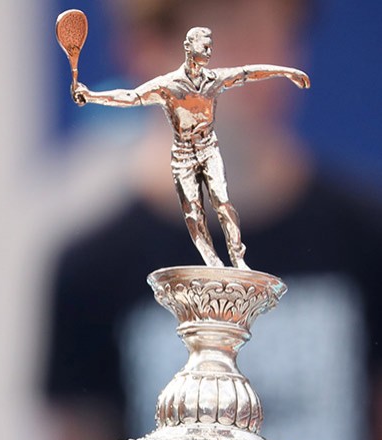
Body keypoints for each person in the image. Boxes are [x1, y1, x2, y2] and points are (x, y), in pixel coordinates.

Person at [42, 0, 382, 440]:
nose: (255, 45)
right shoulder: (91, 269)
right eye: (229, 32)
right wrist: (89, 95)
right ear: (145, 46)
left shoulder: (368, 236)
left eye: (275, 28)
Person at [72, 26, 309, 270]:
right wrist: (91, 96)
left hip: (209, 150)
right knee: (194, 215)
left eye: (209, 45)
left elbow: (250, 72)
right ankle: (213, 261)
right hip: (184, 158)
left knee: (223, 206)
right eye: (202, 45)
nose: (207, 50)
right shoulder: (169, 85)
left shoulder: (214, 80)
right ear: (188, 48)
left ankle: (238, 259)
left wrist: (287, 72)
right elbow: (130, 96)